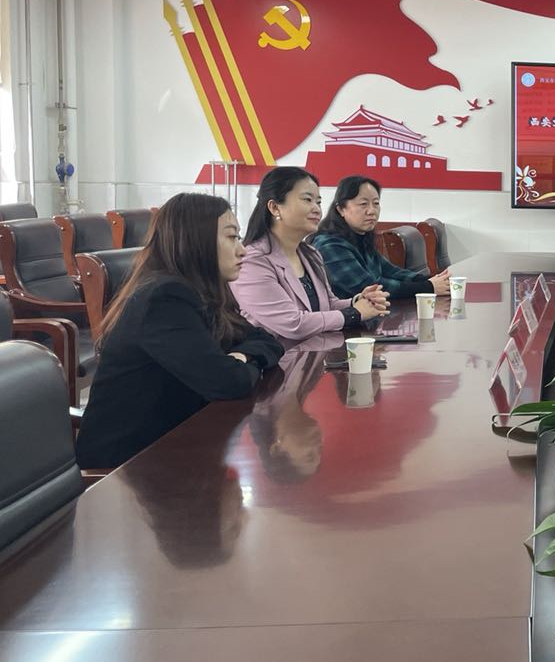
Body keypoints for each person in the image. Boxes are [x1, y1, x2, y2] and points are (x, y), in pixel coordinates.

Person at [76, 193, 284, 469]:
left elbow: (267, 341)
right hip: (127, 466)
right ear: (196, 242)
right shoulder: (164, 299)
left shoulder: (204, 292)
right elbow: (228, 383)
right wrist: (241, 362)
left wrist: (242, 357)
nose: (242, 250)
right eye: (232, 237)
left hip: (173, 443)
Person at [230, 166, 389, 347]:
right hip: (279, 360)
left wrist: (357, 301)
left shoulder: (310, 254)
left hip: (315, 356)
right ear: (274, 207)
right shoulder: (252, 262)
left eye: (318, 202)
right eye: (307, 200)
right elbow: (293, 324)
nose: (317, 209)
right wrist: (354, 313)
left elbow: (328, 304)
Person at [312, 175, 450, 301]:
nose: (372, 211)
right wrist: (428, 287)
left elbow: (390, 271)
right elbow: (369, 287)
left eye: (376, 203)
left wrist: (431, 280)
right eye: (363, 204)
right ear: (341, 209)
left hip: (371, 312)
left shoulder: (362, 236)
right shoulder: (329, 245)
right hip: (346, 318)